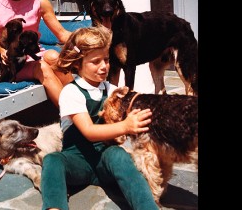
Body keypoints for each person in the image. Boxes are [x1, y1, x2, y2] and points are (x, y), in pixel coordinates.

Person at [41, 26, 157, 210]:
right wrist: (126, 126)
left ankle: (147, 207)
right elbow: (89, 131)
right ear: (78, 64)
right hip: (77, 163)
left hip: (104, 160)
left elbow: (133, 102)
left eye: (106, 59)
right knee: (52, 160)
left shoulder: (110, 89)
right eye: (96, 62)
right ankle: (55, 207)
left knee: (118, 155)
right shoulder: (71, 92)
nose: (104, 66)